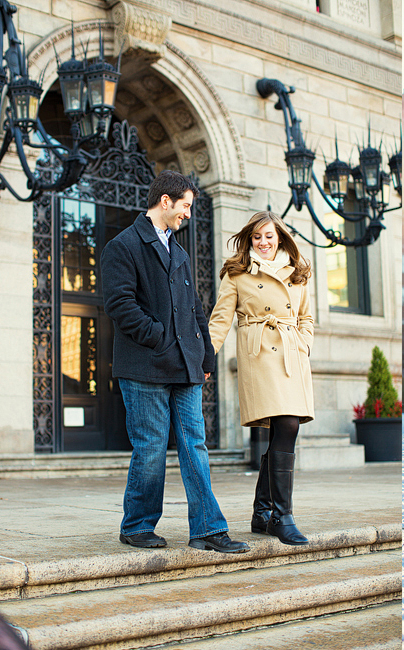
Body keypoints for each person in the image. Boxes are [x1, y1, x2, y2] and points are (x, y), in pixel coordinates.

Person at [101, 170, 248, 554]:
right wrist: (161, 339)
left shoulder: (179, 252)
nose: (187, 214)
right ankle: (136, 526)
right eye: (185, 206)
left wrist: (206, 355)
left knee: (194, 445)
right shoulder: (124, 245)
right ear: (165, 202)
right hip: (144, 366)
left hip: (186, 368)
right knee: (150, 448)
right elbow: (120, 306)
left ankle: (208, 529)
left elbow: (196, 308)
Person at [208, 211, 314, 546]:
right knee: (287, 424)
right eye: (256, 237)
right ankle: (283, 517)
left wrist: (303, 344)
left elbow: (306, 316)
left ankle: (263, 511)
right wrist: (206, 356)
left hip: (290, 354)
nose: (263, 242)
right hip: (260, 354)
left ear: (280, 237)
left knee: (286, 427)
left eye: (269, 236)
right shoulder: (236, 274)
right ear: (249, 240)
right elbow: (221, 319)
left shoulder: (297, 273)